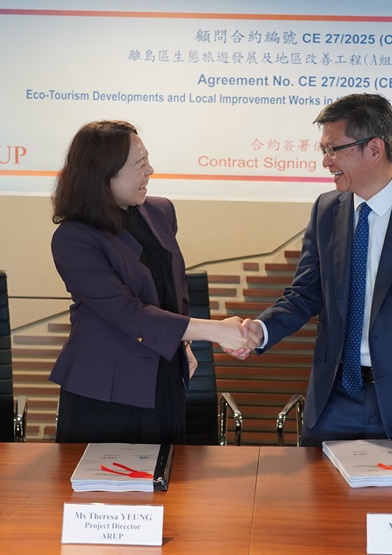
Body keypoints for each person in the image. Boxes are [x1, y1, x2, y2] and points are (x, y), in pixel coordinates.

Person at [240, 93, 392, 453]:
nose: (325, 161)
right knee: (319, 492)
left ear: (374, 149)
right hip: (333, 402)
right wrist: (261, 329)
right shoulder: (326, 209)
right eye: (323, 150)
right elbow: (304, 295)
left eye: (334, 150)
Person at [49, 120, 255, 444]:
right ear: (103, 174)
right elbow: (128, 313)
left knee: (167, 471)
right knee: (104, 476)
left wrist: (184, 344)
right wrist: (216, 331)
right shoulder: (74, 238)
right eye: (139, 165)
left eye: (147, 160)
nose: (150, 170)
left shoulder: (160, 211)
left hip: (164, 375)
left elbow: (172, 289)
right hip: (106, 389)